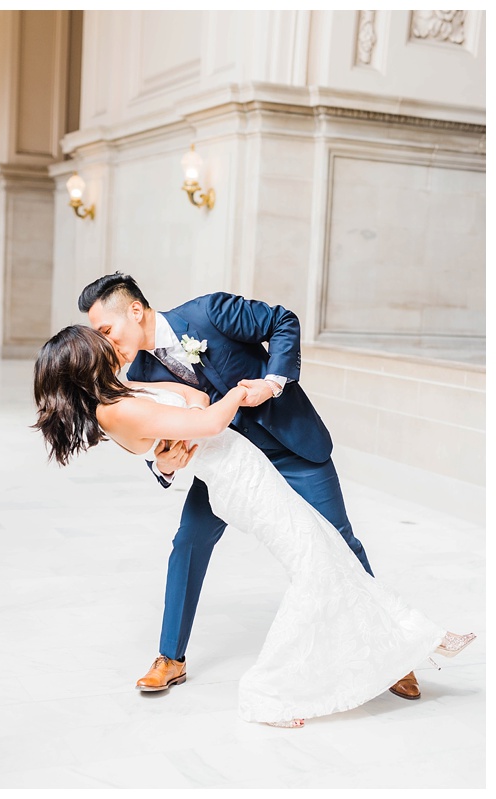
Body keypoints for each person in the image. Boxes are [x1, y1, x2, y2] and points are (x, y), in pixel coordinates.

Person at [31, 325, 475, 727]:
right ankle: (270, 692)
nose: (107, 343)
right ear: (83, 364)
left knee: (328, 551)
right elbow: (206, 418)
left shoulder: (124, 390)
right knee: (313, 566)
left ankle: (420, 635)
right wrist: (242, 393)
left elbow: (197, 400)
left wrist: (201, 415)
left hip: (247, 465)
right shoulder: (115, 412)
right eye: (98, 343)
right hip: (237, 482)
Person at [79, 273, 423, 702]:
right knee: (188, 543)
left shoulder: (208, 312)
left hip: (290, 445)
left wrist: (272, 381)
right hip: (227, 465)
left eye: (106, 331)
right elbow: (158, 440)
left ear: (135, 310)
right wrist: (165, 467)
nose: (106, 343)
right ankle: (170, 657)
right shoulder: (141, 373)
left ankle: (391, 650)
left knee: (339, 541)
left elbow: (283, 321)